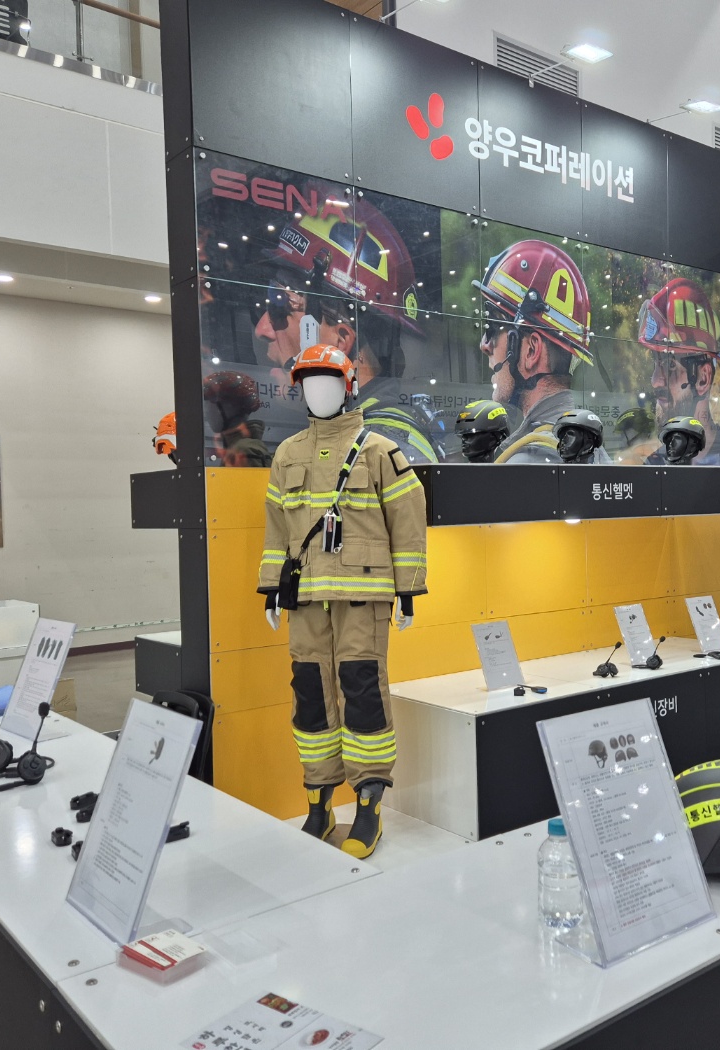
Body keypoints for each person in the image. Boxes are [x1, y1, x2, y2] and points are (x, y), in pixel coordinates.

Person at [258, 344, 428, 859]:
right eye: (308, 383)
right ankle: (319, 802)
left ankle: (369, 804)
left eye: (328, 381)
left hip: (361, 595)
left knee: (362, 690)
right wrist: (271, 587)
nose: (318, 392)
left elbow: (408, 520)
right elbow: (276, 530)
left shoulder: (379, 451)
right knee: (310, 693)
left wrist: (408, 589)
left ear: (349, 386)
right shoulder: (287, 455)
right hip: (307, 597)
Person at [264, 194, 440, 463]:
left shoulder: (382, 447)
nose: (262, 329)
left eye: (280, 304)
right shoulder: (355, 438)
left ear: (341, 339)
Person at [471, 239, 608, 464]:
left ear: (531, 350)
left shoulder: (528, 460)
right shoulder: (588, 447)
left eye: (493, 326)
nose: (485, 345)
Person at [634, 277, 720, 465]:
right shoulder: (653, 463)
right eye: (656, 364)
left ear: (703, 379)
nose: (655, 381)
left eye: (670, 365)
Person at [203, 371, 272, 467]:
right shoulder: (238, 447)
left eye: (210, 405)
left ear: (229, 407)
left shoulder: (245, 450)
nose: (206, 412)